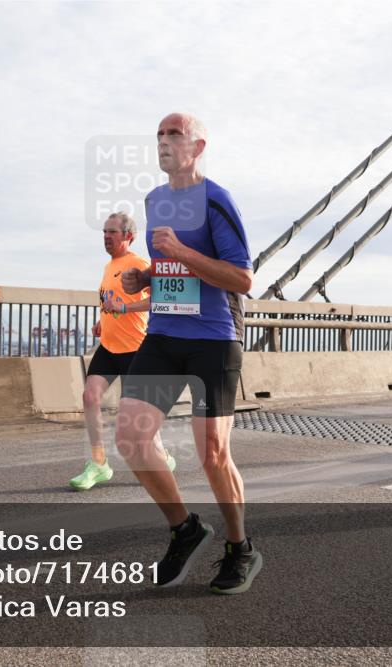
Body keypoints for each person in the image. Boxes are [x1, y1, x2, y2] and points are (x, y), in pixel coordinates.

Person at [116, 112, 261, 595]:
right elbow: (168, 265)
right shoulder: (155, 200)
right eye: (158, 134)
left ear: (197, 147)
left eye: (173, 134)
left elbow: (241, 279)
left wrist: (180, 249)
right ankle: (185, 529)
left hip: (213, 338)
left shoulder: (216, 201)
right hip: (163, 333)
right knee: (131, 437)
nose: (163, 141)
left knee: (212, 453)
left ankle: (240, 548)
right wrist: (147, 277)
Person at [70, 212, 176, 491]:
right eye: (104, 232)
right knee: (90, 396)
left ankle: (162, 456)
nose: (106, 236)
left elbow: (161, 298)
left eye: (112, 232)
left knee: (140, 419)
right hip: (109, 346)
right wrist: (102, 320)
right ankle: (98, 464)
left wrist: (126, 309)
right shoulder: (109, 267)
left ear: (128, 236)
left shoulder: (139, 264)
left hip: (136, 350)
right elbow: (112, 301)